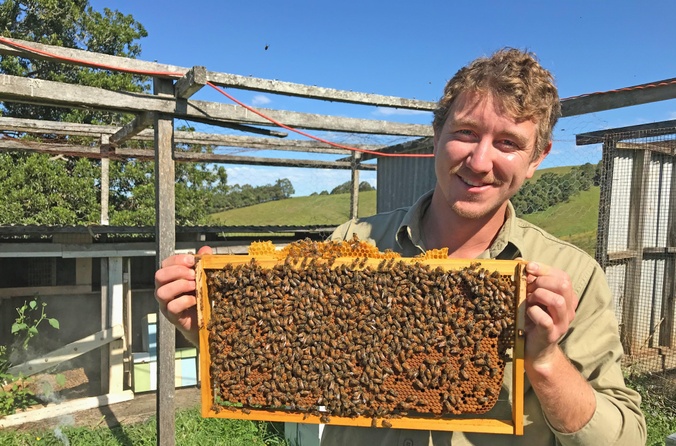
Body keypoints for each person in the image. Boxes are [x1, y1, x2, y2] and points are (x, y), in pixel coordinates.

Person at [155, 48, 646, 446]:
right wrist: (215, 329)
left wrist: (544, 361)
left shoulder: (572, 277)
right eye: (466, 134)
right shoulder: (351, 247)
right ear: (437, 136)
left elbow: (623, 439)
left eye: (508, 144)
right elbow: (292, 358)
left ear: (537, 159)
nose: (479, 161)